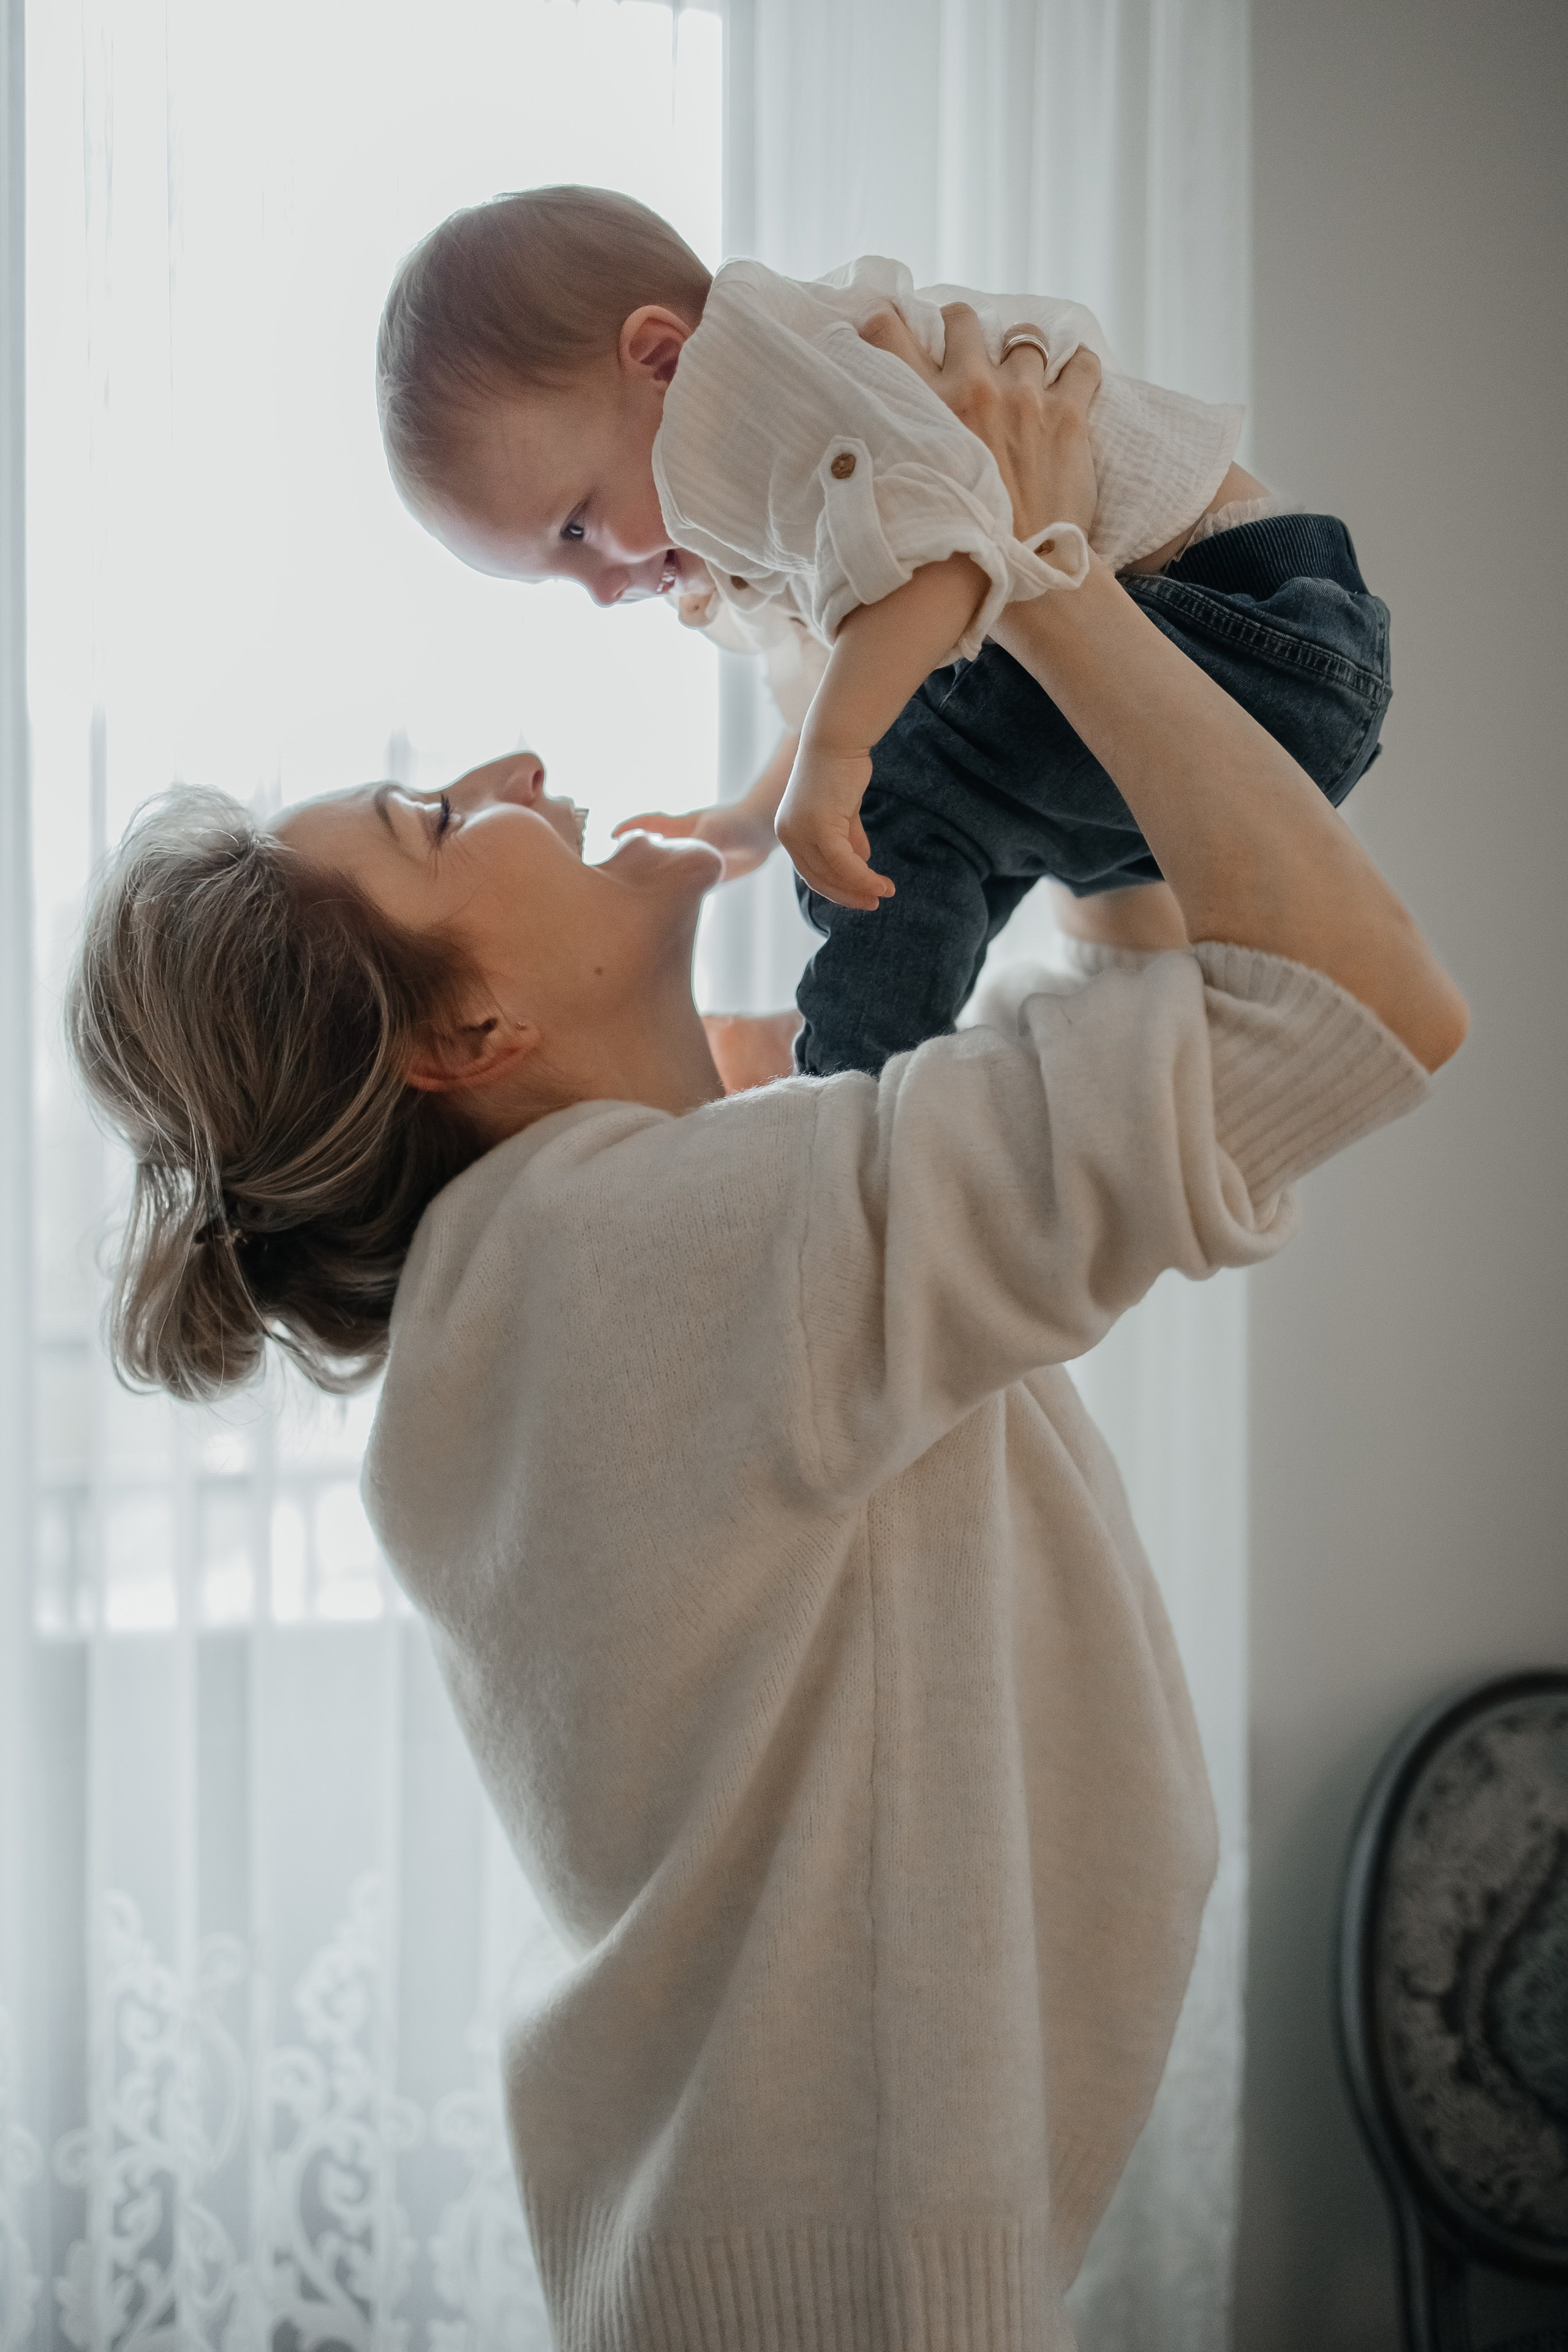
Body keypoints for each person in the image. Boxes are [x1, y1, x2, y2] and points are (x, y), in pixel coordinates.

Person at [68, 325, 1465, 2352]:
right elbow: (1356, 1006)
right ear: (467, 1037)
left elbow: (1148, 1020)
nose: (526, 770)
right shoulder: (661, 1266)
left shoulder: (583, 1283)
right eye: (449, 821)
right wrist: (1052, 571)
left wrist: (1034, 660)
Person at [375, 184, 1393, 1075]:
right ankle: (857, 1065)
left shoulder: (767, 402)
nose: (602, 588)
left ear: (661, 358)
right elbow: (879, 649)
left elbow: (952, 554)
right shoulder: (745, 446)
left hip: (1254, 631)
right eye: (562, 571)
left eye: (578, 526)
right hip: (1242, 681)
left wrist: (837, 752)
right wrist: (750, 812)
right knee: (918, 788)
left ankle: (846, 1086)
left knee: (895, 794)